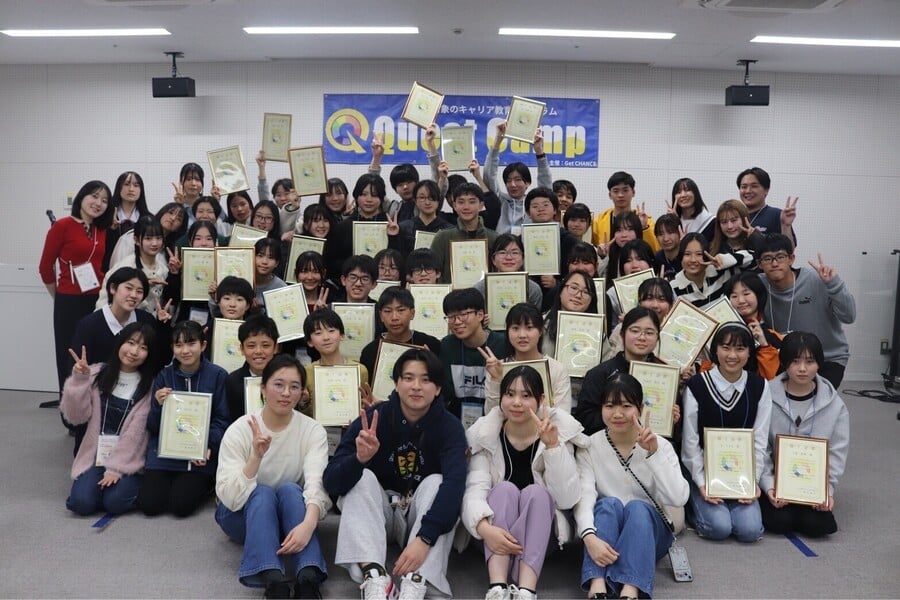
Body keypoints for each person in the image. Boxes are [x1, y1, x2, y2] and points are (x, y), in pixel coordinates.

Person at [323, 348, 468, 599]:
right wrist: (359, 460)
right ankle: (375, 576)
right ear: (396, 383)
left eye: (426, 380)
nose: (416, 386)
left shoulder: (450, 427)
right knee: (361, 478)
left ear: (438, 389)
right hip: (378, 515)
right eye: (408, 378)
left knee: (438, 483)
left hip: (418, 517)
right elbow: (331, 482)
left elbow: (455, 486)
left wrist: (425, 538)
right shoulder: (373, 419)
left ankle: (417, 580)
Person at [463, 366, 587, 600]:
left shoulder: (557, 434)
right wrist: (485, 529)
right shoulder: (486, 436)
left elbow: (567, 499)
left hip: (541, 537)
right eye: (510, 394)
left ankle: (527, 590)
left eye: (526, 395)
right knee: (504, 490)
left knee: (536, 493)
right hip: (493, 534)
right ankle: (497, 587)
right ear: (501, 398)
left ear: (541, 400)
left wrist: (553, 447)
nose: (517, 402)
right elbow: (474, 491)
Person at [215, 354, 330, 599]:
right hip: (241, 514)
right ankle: (273, 580)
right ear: (263, 388)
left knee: (290, 489)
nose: (286, 393)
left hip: (291, 517)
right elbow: (230, 497)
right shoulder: (240, 429)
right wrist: (255, 458)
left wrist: (308, 525)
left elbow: (316, 484)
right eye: (278, 384)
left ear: (302, 393)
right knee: (262, 492)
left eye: (294, 387)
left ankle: (308, 577)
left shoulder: (312, 430)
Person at [574, 373, 689, 600]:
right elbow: (585, 496)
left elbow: (678, 497)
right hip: (606, 533)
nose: (617, 414)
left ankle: (630, 589)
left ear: (641, 408)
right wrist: (588, 536)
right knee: (607, 504)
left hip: (649, 533)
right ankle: (597, 585)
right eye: (609, 406)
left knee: (637, 508)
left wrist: (654, 454)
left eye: (626, 406)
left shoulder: (660, 445)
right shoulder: (590, 446)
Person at [681, 323, 771, 542]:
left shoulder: (759, 386)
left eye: (740, 348)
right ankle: (692, 508)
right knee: (719, 527)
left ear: (749, 352)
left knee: (750, 531)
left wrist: (752, 481)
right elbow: (690, 442)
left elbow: (760, 440)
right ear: (715, 350)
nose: (732, 355)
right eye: (725, 347)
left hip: (741, 475)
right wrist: (702, 483)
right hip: (704, 472)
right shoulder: (697, 385)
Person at [61, 322, 157, 516]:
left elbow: (136, 435)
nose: (134, 351)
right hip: (95, 456)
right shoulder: (95, 373)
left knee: (115, 503)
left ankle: (128, 488)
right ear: (120, 343)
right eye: (131, 343)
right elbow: (75, 417)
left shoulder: (150, 386)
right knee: (81, 503)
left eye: (143, 347)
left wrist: (116, 469)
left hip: (128, 458)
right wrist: (79, 380)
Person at [758, 332, 848, 538]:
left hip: (811, 486)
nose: (802, 368)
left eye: (810, 362)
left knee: (818, 526)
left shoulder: (835, 404)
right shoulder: (767, 396)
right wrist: (769, 486)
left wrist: (827, 490)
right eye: (795, 361)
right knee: (780, 521)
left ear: (819, 364)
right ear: (784, 362)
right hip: (777, 483)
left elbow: (837, 452)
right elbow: (762, 446)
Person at [139, 320, 230, 517]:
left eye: (191, 343)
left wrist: (208, 445)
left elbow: (222, 419)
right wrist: (158, 405)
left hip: (199, 456)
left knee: (180, 506)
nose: (185, 350)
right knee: (149, 505)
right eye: (178, 345)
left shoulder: (218, 375)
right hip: (165, 454)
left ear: (203, 345)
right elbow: (152, 426)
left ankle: (207, 484)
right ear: (172, 348)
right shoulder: (164, 376)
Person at [40, 179, 114, 403]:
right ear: (82, 197)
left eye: (104, 200)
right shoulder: (62, 226)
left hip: (96, 299)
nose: (98, 203)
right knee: (68, 354)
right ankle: (69, 409)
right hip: (69, 301)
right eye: (94, 196)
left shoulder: (101, 230)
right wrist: (58, 296)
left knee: (93, 353)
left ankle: (92, 405)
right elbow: (45, 267)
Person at [756, 234, 856, 388]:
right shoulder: (757, 286)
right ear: (759, 264)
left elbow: (849, 316)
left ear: (791, 259)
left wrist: (834, 285)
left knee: (818, 400)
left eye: (780, 257)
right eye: (767, 258)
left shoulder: (816, 280)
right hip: (786, 360)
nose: (774, 263)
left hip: (828, 358)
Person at [575, 307, 668, 436]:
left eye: (649, 333)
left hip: (651, 442)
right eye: (635, 331)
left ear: (657, 337)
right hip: (607, 444)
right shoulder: (600, 374)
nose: (642, 337)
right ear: (622, 334)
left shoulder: (667, 376)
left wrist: (670, 419)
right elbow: (585, 419)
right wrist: (615, 415)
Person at [480, 303, 573, 414]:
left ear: (540, 331)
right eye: (515, 328)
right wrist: (496, 380)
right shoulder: (497, 368)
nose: (522, 335)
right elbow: (490, 414)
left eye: (529, 328)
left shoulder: (557, 369)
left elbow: (563, 416)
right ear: (507, 331)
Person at [439, 289, 509, 423]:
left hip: (497, 420)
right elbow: (445, 393)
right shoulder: (447, 345)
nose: (457, 322)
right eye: (451, 317)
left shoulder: (503, 344)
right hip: (457, 422)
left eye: (463, 315)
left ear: (480, 315)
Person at [483, 122, 552, 235]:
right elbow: (489, 176)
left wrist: (539, 153)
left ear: (527, 183)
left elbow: (546, 186)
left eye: (518, 179)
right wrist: (498, 140)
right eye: (508, 181)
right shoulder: (500, 200)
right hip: (502, 244)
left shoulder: (534, 203)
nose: (513, 184)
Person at [302, 309, 370, 419]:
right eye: (318, 333)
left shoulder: (359, 370)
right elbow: (304, 415)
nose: (326, 337)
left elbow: (364, 407)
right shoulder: (306, 372)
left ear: (342, 335)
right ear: (310, 342)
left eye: (331, 331)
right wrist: (304, 401)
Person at [359, 286, 442, 377]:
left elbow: (440, 381)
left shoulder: (431, 345)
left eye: (401, 310)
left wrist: (431, 363)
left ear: (412, 313)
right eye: (388, 311)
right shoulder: (370, 351)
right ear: (381, 316)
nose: (394, 317)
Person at [430, 183, 499, 285]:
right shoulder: (442, 237)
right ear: (454, 205)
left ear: (481, 205)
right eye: (461, 202)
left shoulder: (494, 238)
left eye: (472, 202)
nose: (466, 207)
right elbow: (432, 272)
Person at [98, 215, 169, 312]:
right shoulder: (126, 266)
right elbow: (106, 301)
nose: (155, 243)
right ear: (136, 240)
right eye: (148, 238)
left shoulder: (163, 269)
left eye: (158, 238)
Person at [723, 271, 783, 379]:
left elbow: (774, 379)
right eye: (734, 296)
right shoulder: (721, 334)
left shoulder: (772, 337)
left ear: (759, 295)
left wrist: (764, 345)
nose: (741, 301)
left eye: (746, 294)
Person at [670, 232, 752, 309]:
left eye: (699, 254)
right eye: (687, 254)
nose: (693, 260)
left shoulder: (720, 270)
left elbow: (751, 257)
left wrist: (724, 260)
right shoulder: (674, 288)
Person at [224, 315, 281, 423]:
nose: (258, 351)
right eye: (251, 346)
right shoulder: (232, 381)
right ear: (242, 349)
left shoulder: (286, 378)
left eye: (265, 345)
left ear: (276, 348)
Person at [473, 234, 544, 312]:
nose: (509, 257)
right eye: (502, 252)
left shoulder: (533, 290)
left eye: (515, 253)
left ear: (523, 259)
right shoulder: (479, 289)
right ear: (493, 260)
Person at [591, 171, 657, 253]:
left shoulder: (646, 221)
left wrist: (644, 228)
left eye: (625, 190)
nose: (620, 195)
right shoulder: (598, 222)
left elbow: (654, 250)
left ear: (633, 193)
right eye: (616, 191)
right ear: (610, 195)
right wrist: (601, 254)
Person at [736, 167, 798, 243]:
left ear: (766, 190)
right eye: (744, 187)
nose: (748, 191)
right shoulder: (734, 216)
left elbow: (790, 248)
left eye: (754, 186)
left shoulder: (777, 215)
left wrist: (786, 226)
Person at [103, 171, 150, 270]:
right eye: (126, 184)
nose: (131, 189)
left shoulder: (148, 219)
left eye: (136, 185)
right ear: (118, 188)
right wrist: (110, 229)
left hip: (140, 271)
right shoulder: (106, 215)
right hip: (109, 270)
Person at [396, 179, 454, 257]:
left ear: (438, 200)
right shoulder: (404, 228)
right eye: (422, 197)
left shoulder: (449, 230)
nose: (427, 202)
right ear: (415, 200)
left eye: (431, 197)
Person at [668, 177, 715, 242]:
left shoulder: (711, 221)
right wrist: (674, 221)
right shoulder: (673, 221)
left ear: (695, 194)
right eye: (678, 192)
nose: (683, 195)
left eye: (687, 190)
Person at [253, 237, 287, 312]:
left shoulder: (282, 288)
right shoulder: (241, 281)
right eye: (260, 256)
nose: (264, 262)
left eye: (270, 257)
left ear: (277, 263)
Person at [653, 214, 682, 281]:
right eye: (660, 234)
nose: (665, 239)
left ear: (680, 232)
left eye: (670, 232)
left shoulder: (688, 256)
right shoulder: (657, 259)